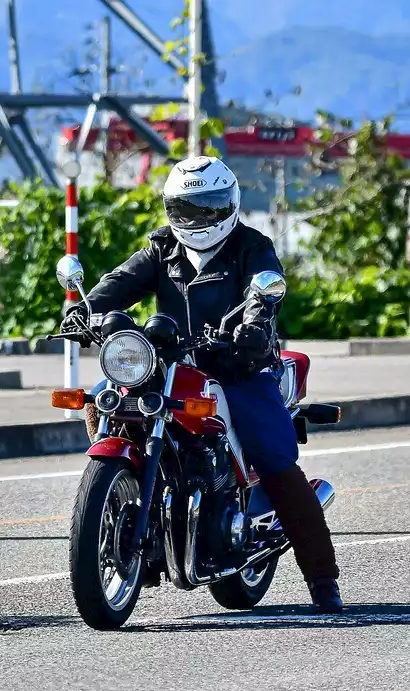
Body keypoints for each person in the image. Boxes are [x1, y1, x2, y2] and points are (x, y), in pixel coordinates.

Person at [70, 155, 342, 613]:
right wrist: (85, 310)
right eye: (186, 208)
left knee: (273, 458)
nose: (197, 218)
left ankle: (322, 579)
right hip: (167, 363)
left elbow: (265, 291)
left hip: (237, 366)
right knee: (103, 400)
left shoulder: (251, 247)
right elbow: (118, 283)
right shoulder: (161, 250)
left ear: (229, 205)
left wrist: (253, 328)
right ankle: (127, 488)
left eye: (208, 207)